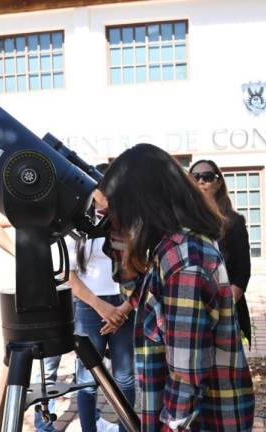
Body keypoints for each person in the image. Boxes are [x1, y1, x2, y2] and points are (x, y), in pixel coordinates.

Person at [100, 143, 255, 431]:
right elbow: (134, 291)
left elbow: (187, 374)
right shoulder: (170, 247)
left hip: (203, 421)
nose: (113, 215)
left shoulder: (184, 260)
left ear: (140, 204)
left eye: (118, 206)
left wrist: (170, 427)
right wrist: (121, 241)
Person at [0, 212, 122, 432]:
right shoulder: (41, 209)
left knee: (82, 365)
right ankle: (44, 427)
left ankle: (91, 419)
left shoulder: (65, 211)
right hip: (39, 297)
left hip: (67, 296)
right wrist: (23, 256)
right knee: (46, 368)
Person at [68, 167, 135, 432]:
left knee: (125, 377)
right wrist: (101, 307)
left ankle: (126, 428)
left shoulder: (132, 222)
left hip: (126, 304)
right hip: (89, 305)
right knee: (88, 377)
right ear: (93, 190)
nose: (107, 194)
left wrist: (124, 308)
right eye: (102, 188)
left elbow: (146, 270)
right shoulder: (78, 221)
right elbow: (68, 274)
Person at [188, 159, 252, 347]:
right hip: (191, 310)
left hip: (226, 308)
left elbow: (242, 271)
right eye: (195, 177)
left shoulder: (234, 221)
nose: (201, 181)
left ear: (218, 183)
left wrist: (222, 309)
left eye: (207, 177)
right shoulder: (180, 222)